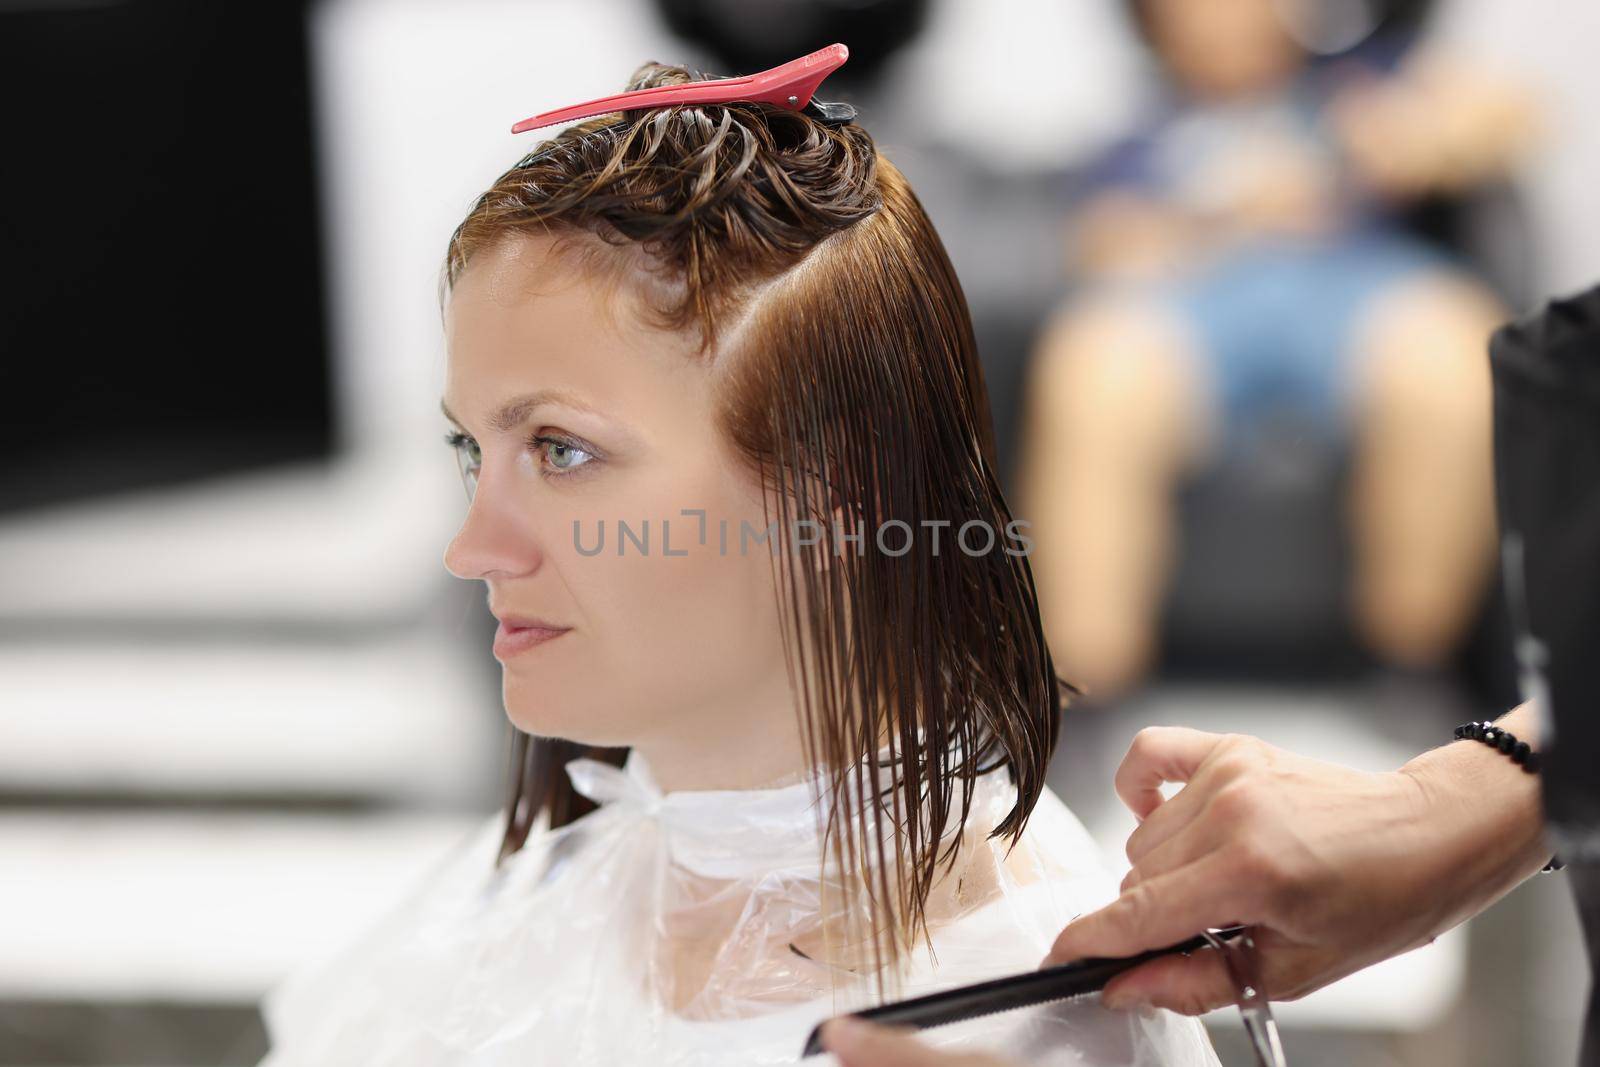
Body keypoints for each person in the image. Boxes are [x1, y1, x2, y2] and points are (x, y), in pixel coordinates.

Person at [250, 53, 1221, 1066]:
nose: (470, 547)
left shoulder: (1022, 1004)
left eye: (562, 449)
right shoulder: (514, 917)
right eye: (472, 449)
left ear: (841, 492)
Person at [821, 283, 1600, 1065]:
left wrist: (1454, 804)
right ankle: (1087, 705)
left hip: (1371, 276)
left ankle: (1404, 669)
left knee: (1441, 372)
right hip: (1179, 281)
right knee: (1101, 374)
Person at [1016, 0, 1535, 700]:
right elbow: (1101, 243)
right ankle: (1082, 687)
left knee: (1450, 360)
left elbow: (1503, 115)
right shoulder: (1137, 136)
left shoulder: (1360, 84)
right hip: (1190, 303)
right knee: (1091, 369)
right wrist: (1221, 212)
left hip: (1359, 289)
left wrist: (1415, 137)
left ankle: (1408, 672)